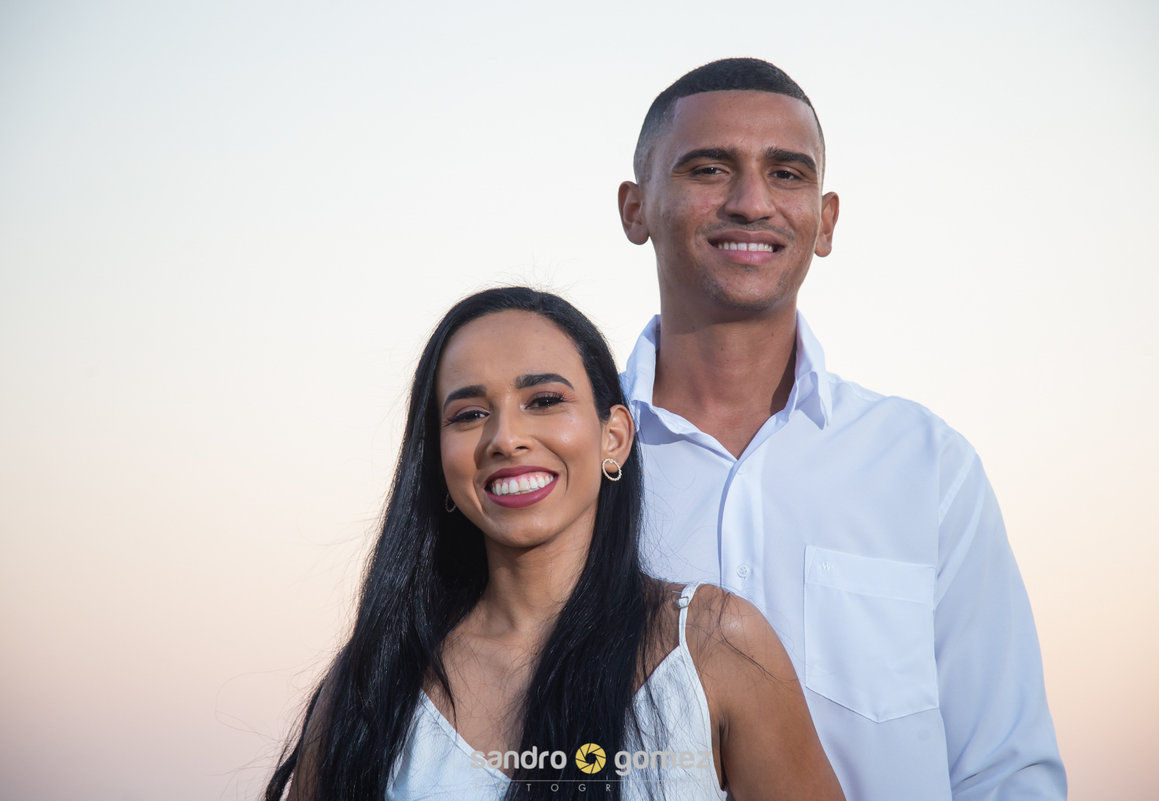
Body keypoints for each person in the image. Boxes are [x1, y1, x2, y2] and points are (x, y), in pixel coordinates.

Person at [616, 59, 1066, 801]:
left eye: (787, 173)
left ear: (825, 222)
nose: (752, 201)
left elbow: (1005, 770)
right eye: (708, 168)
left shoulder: (927, 467)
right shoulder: (567, 472)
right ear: (636, 209)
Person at [265, 287, 845, 801]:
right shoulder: (373, 680)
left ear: (613, 437)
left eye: (543, 401)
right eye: (469, 414)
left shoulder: (715, 646)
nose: (506, 438)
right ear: (438, 462)